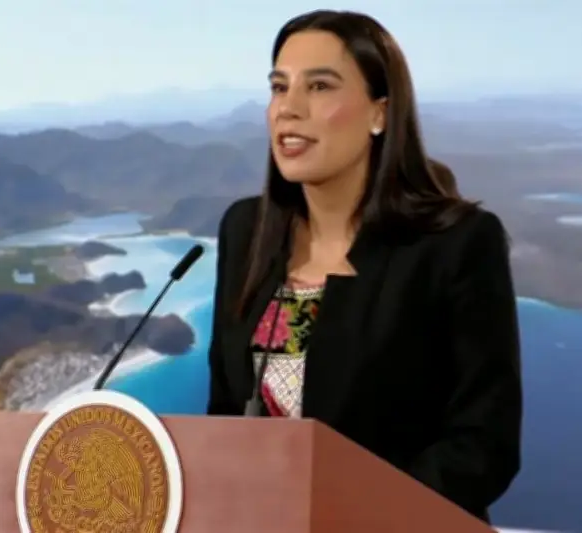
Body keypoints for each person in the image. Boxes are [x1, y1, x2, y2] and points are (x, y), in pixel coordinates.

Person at [205, 9, 522, 524]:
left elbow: (483, 444)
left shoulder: (456, 245)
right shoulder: (245, 231)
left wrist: (357, 516)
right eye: (279, 88)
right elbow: (224, 415)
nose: (289, 108)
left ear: (380, 113)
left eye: (319, 87)